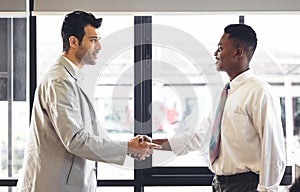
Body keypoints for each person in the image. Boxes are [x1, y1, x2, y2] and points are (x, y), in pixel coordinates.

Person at [16, 10, 160, 192]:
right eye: (93, 40)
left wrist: (130, 147)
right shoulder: (60, 81)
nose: (99, 46)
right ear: (73, 42)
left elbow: (83, 137)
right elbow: (75, 140)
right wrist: (127, 147)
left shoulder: (70, 78)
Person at [152, 24, 286, 191]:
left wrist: (267, 189)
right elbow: (201, 136)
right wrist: (158, 144)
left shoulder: (259, 92)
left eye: (220, 48)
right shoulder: (223, 94)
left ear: (238, 52)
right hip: (220, 184)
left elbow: (273, 148)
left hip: (246, 186)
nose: (215, 54)